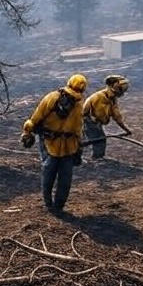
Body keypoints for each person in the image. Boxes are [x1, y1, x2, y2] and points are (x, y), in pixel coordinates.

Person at [20, 74, 86, 214]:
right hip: (51, 142)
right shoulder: (54, 99)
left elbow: (78, 128)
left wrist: (78, 146)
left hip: (66, 145)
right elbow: (35, 119)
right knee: (52, 172)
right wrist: (27, 133)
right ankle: (50, 204)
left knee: (60, 176)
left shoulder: (75, 104)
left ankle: (57, 206)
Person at [82, 75, 132, 160]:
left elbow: (117, 116)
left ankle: (92, 157)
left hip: (94, 123)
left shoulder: (111, 98)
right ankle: (97, 159)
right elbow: (97, 116)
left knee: (93, 140)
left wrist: (126, 129)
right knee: (99, 141)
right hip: (88, 121)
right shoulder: (100, 97)